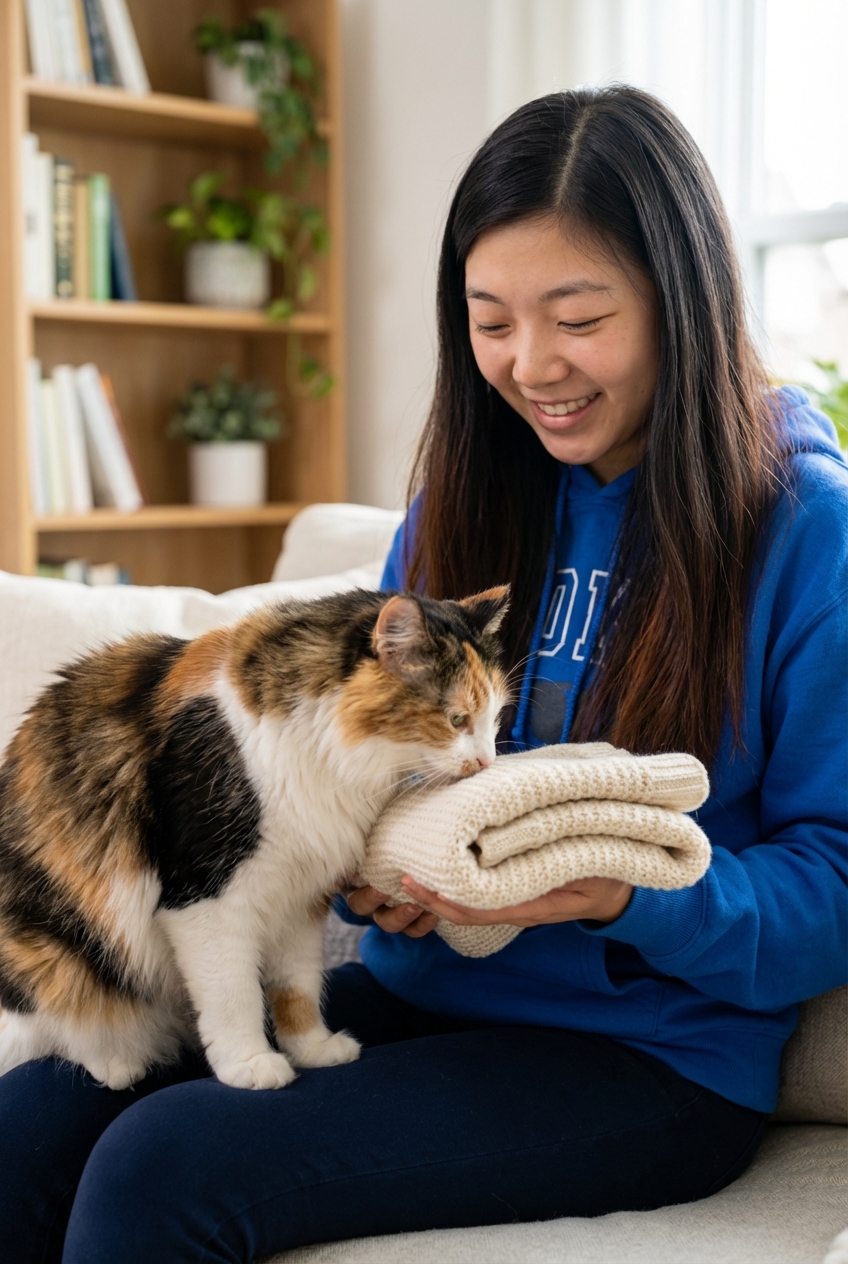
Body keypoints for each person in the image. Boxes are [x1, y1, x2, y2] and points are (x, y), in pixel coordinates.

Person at [1, 86, 845, 1264]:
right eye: (489, 321)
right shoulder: (466, 494)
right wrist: (375, 877)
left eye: (577, 317)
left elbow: (831, 884)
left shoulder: (804, 528)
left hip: (648, 1054)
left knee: (162, 1169)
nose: (530, 364)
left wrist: (620, 891)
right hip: (425, 991)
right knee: (28, 1124)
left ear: (681, 300)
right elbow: (358, 781)